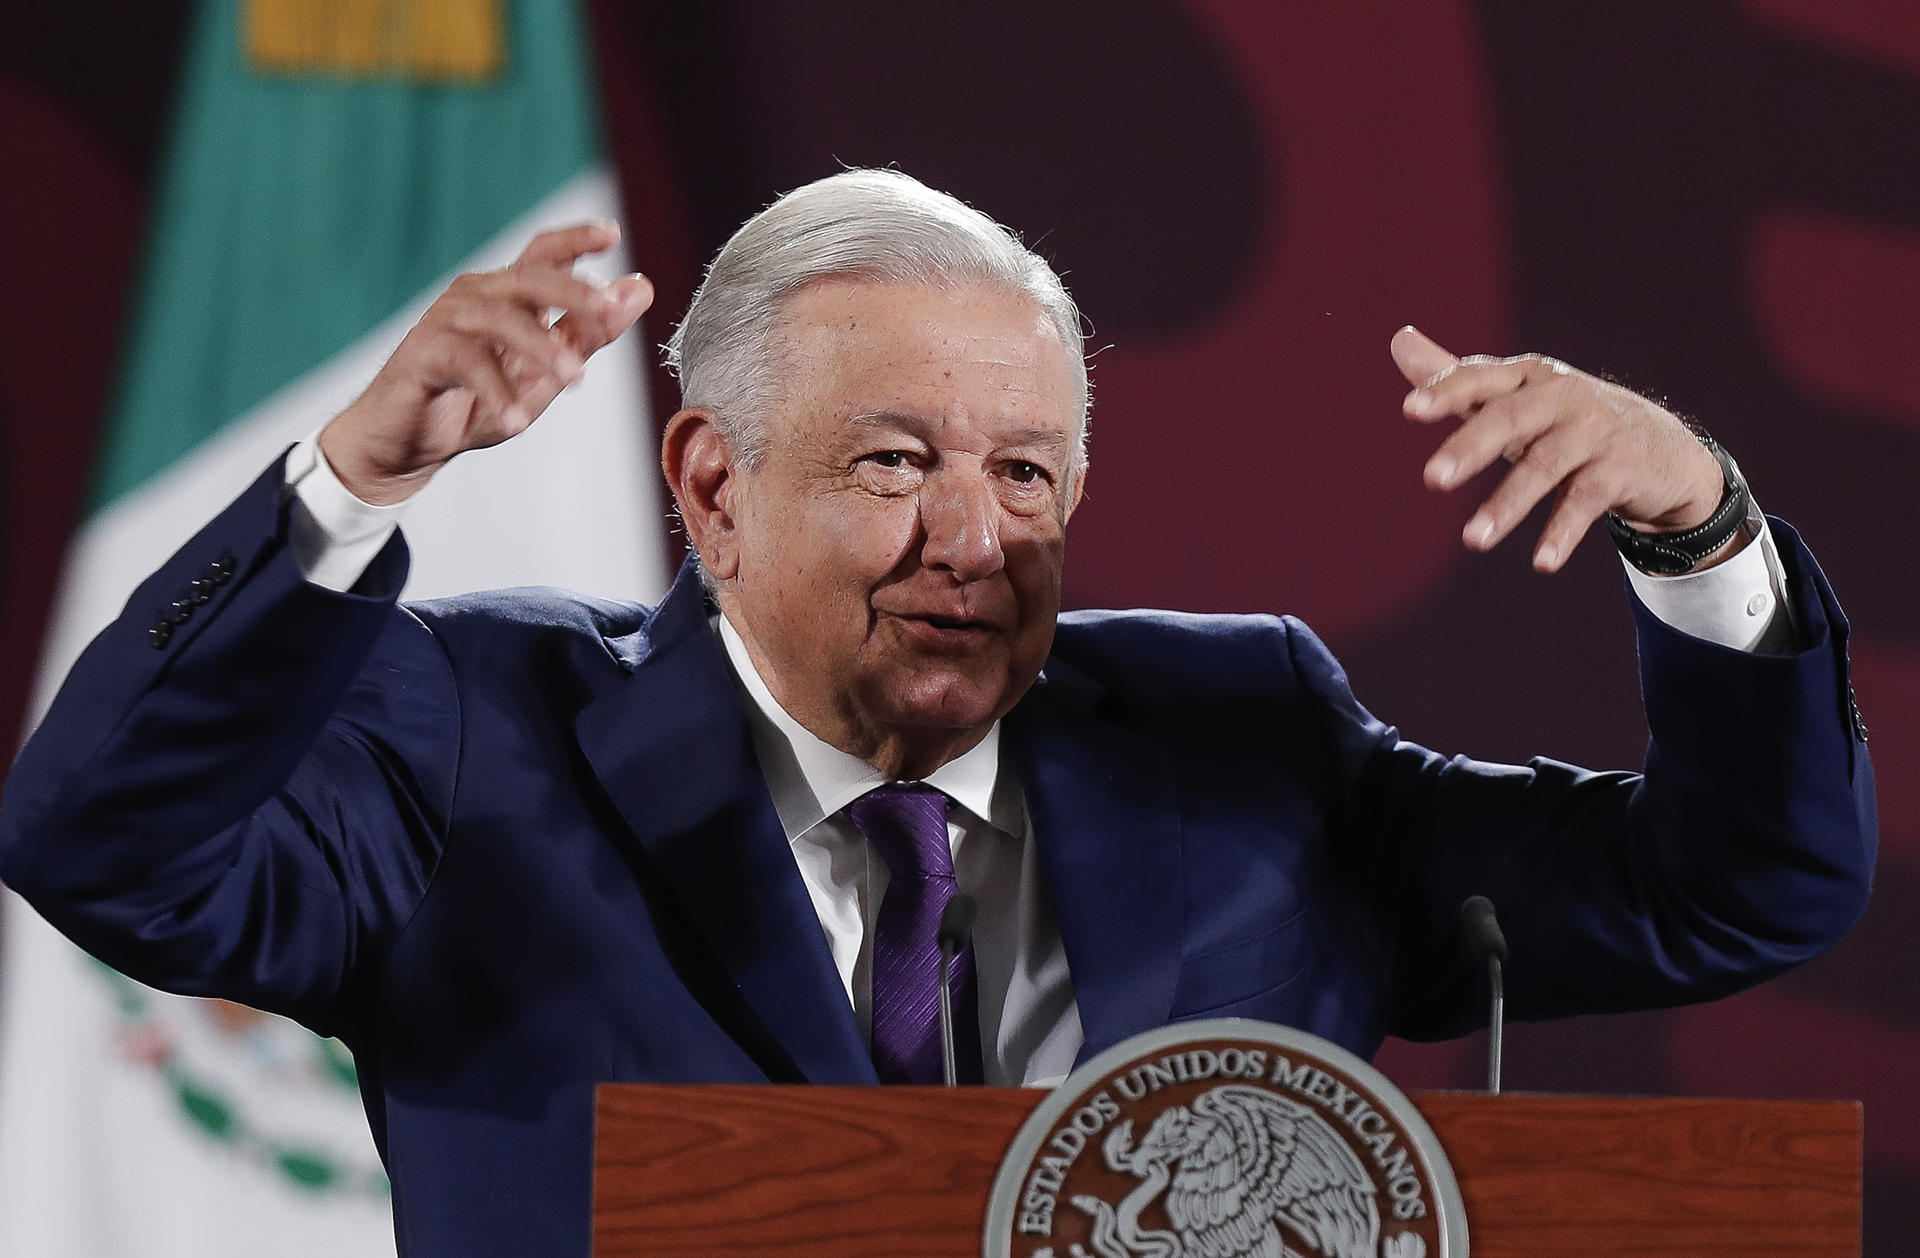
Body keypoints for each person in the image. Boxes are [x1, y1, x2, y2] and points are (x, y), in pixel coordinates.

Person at [0, 170, 1874, 1256]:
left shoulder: (1249, 734)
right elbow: (102, 843)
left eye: (1031, 471)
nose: (976, 535)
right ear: (712, 487)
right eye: (895, 459)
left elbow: (1731, 889)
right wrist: (343, 490)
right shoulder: (477, 730)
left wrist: (1702, 532)